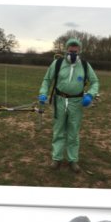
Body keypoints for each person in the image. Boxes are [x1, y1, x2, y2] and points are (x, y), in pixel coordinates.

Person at [37, 38, 100, 173]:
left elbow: (95, 82)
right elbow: (47, 80)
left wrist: (90, 95)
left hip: (76, 103)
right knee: (59, 130)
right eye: (70, 51)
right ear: (66, 50)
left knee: (73, 132)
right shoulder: (57, 63)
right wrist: (43, 92)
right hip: (59, 100)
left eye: (75, 51)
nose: (73, 53)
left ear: (80, 51)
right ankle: (57, 158)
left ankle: (73, 160)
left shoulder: (84, 65)